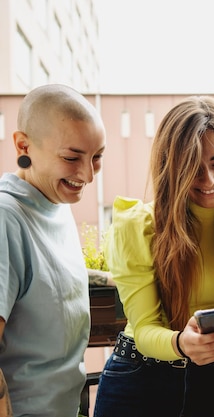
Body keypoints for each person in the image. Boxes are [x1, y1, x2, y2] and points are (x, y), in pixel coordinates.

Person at [93, 96, 214, 417]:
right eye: (191, 168)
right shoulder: (137, 227)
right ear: (170, 168)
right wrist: (181, 343)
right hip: (138, 380)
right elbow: (146, 328)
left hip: (211, 376)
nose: (208, 180)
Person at [0, 84, 107, 417]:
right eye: (72, 157)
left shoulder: (55, 204)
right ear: (23, 145)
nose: (87, 174)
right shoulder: (6, 217)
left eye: (97, 157)